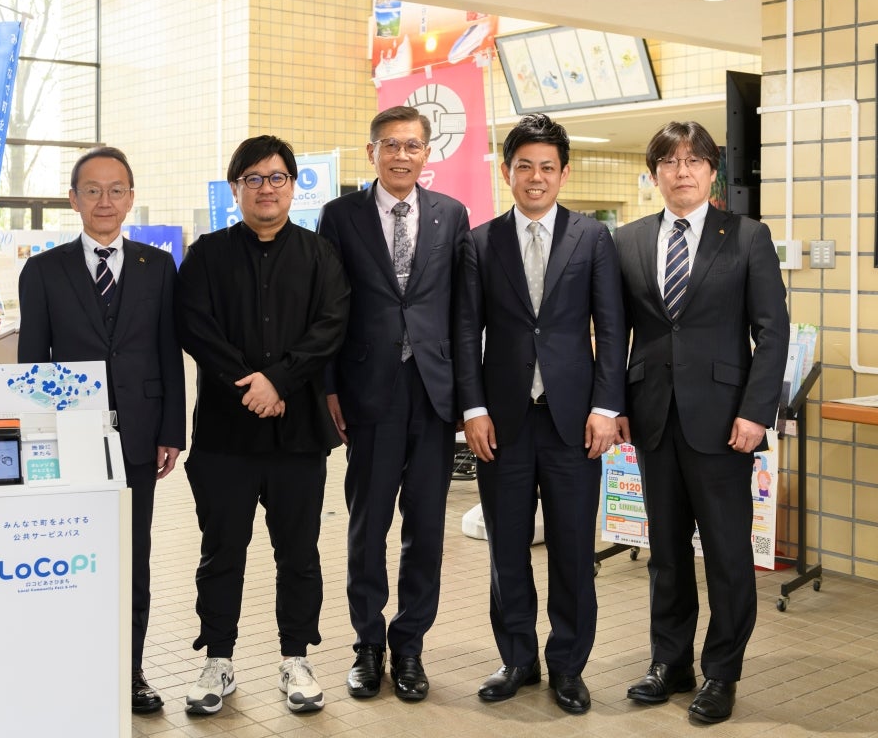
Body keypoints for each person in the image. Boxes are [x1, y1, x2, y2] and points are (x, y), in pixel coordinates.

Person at [614, 121, 788, 724]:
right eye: (669, 161)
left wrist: (756, 412)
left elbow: (772, 332)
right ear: (654, 173)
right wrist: (615, 405)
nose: (681, 171)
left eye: (694, 160)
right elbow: (616, 333)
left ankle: (721, 672)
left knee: (726, 554)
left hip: (723, 422)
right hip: (653, 418)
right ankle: (670, 663)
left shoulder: (747, 237)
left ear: (713, 171)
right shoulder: (628, 240)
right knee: (664, 552)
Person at [454, 113, 626, 714]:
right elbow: (464, 331)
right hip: (501, 422)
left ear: (564, 173)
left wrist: (606, 407)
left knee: (573, 549)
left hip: (573, 422)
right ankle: (517, 659)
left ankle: (569, 666)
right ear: (507, 171)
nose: (535, 177)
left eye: (547, 167)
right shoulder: (480, 241)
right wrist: (472, 408)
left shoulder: (592, 237)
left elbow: (611, 327)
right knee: (506, 547)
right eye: (524, 165)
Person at [175, 135, 350, 716]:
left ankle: (295, 657)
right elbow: (195, 327)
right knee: (221, 551)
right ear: (236, 189)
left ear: (293, 186)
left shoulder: (320, 255)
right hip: (225, 436)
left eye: (276, 177)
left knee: (298, 553)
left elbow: (331, 326)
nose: (266, 188)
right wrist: (250, 386)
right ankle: (217, 659)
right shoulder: (206, 255)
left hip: (298, 437)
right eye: (253, 179)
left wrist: (279, 381)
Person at [17, 145, 187, 715]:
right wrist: (39, 440)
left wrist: (171, 430)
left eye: (116, 190)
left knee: (132, 558)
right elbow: (31, 365)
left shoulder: (157, 266)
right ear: (74, 199)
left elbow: (168, 352)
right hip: (71, 441)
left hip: (139, 437)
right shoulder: (43, 271)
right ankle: (76, 666)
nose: (105, 201)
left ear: (131, 198)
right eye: (92, 190)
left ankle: (129, 670)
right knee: (73, 556)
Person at [317, 105, 469, 702]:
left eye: (412, 145)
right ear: (371, 151)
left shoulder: (451, 214)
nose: (401, 155)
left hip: (433, 392)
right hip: (367, 390)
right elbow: (328, 308)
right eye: (390, 145)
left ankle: (409, 646)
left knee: (426, 528)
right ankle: (367, 644)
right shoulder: (340, 216)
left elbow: (463, 311)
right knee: (368, 526)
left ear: (426, 153)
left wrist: (467, 396)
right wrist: (330, 386)